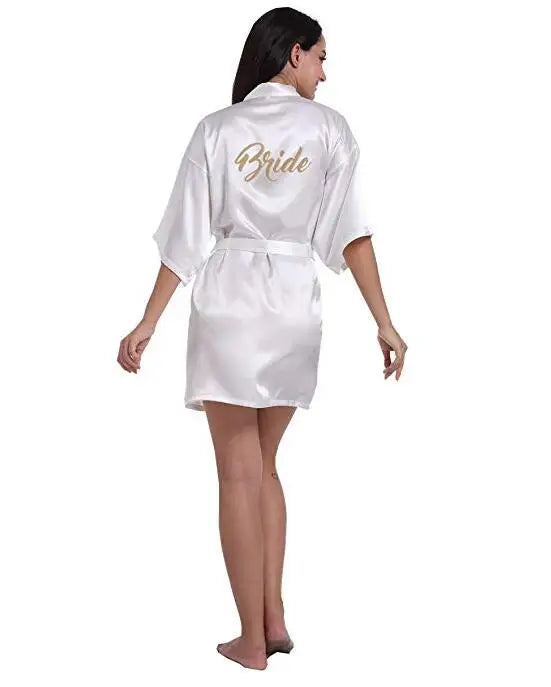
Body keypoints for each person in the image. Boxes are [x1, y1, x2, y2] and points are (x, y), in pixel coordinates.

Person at [117, 7, 407, 671]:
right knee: (266, 465)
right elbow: (351, 234)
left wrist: (148, 321)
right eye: (321, 57)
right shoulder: (330, 129)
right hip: (293, 305)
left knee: (236, 471)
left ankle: (250, 641)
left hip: (231, 300)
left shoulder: (217, 129)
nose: (325, 73)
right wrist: (383, 320)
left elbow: (185, 237)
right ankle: (272, 618)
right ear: (293, 53)